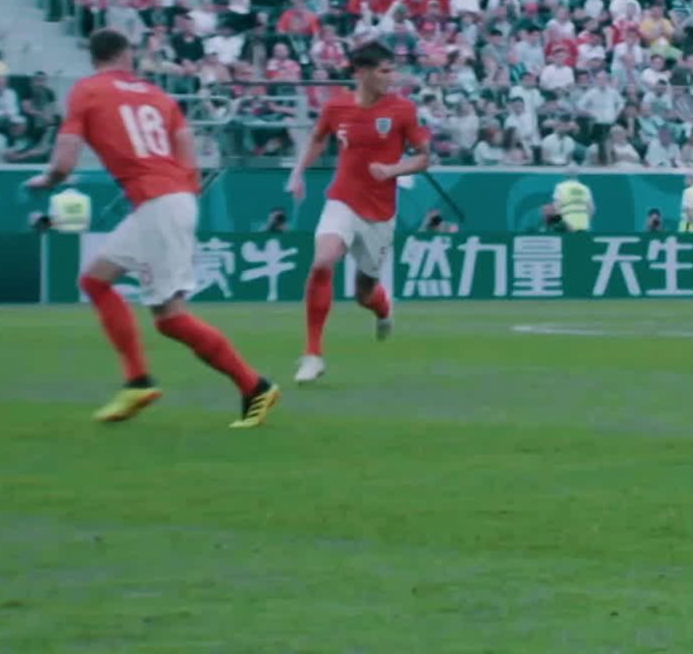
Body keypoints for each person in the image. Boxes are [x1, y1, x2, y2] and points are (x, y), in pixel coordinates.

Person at [25, 28, 277, 428]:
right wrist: (184, 189)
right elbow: (185, 140)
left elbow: (64, 163)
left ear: (95, 58)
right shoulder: (157, 95)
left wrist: (45, 181)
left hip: (158, 203)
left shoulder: (87, 91)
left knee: (170, 318)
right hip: (167, 200)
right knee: (95, 281)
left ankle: (254, 386)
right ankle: (137, 381)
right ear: (125, 55)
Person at [287, 41, 430, 384]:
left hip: (380, 212)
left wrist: (393, 170)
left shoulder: (402, 110)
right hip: (343, 200)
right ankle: (312, 354)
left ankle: (383, 308)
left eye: (392, 70)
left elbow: (424, 157)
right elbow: (318, 139)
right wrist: (297, 172)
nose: (391, 77)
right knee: (322, 262)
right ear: (362, 73)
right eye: (384, 71)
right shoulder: (336, 107)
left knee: (364, 293)